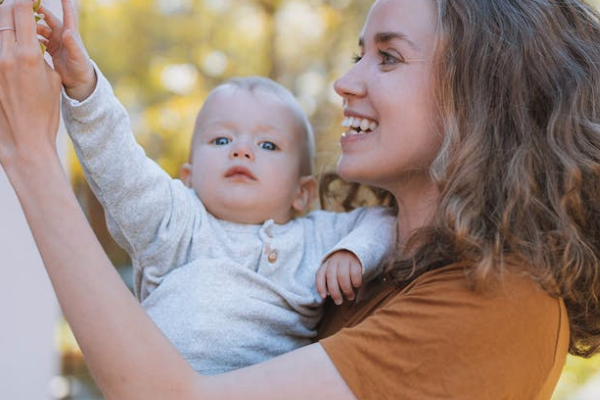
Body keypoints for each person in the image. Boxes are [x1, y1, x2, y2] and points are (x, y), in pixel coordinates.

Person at [2, 0, 600, 398]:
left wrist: (30, 151)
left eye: (387, 57)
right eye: (357, 54)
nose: (346, 82)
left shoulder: (500, 305)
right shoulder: (366, 267)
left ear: (483, 98)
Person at [37, 3, 396, 376]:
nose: (241, 150)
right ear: (188, 178)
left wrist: (353, 252)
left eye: (268, 145)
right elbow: (119, 166)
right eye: (222, 140)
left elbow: (386, 220)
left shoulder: (316, 238)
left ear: (302, 193)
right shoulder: (175, 223)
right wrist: (84, 87)